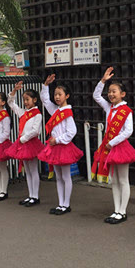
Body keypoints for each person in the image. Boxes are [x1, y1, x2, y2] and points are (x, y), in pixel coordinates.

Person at [92, 67, 135, 224]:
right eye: (110, 91)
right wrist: (103, 81)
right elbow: (95, 96)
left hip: (119, 147)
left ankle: (123, 211)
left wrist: (111, 143)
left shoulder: (126, 110)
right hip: (109, 147)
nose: (111, 94)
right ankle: (116, 209)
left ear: (123, 94)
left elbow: (128, 131)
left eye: (114, 91)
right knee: (113, 180)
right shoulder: (109, 108)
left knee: (123, 179)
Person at [38, 74, 83, 215]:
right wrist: (45, 85)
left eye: (60, 94)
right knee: (58, 177)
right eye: (55, 94)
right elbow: (45, 100)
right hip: (55, 147)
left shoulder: (67, 113)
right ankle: (60, 203)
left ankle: (66, 204)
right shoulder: (55, 111)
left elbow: (72, 132)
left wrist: (57, 140)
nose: (57, 97)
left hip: (62, 147)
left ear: (67, 96)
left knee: (65, 176)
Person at [5, 81, 45, 207]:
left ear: (34, 100)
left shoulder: (37, 114)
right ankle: (30, 195)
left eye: (27, 99)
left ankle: (35, 196)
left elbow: (35, 131)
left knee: (33, 170)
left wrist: (23, 139)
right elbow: (10, 103)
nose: (25, 102)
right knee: (27, 170)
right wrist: (14, 91)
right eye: (24, 100)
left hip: (30, 143)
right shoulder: (23, 112)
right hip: (23, 142)